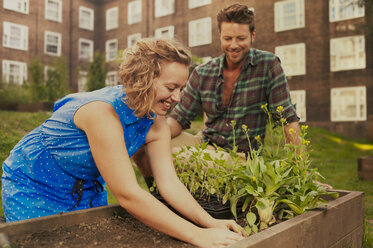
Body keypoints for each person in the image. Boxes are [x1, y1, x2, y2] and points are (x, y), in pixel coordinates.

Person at [1, 38, 245, 247]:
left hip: (83, 186)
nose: (178, 97)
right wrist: (198, 236)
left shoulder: (157, 122)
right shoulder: (101, 113)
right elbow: (127, 194)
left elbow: (169, 183)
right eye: (171, 87)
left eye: (181, 88)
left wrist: (209, 222)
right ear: (144, 78)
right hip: (34, 183)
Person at [133, 4, 300, 183]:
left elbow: (288, 120)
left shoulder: (268, 65)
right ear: (219, 35)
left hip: (239, 157)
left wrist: (301, 174)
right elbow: (178, 119)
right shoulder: (203, 72)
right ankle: (157, 193)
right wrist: (145, 135)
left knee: (171, 156)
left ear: (253, 35)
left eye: (241, 38)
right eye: (228, 38)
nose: (234, 45)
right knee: (142, 146)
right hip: (203, 144)